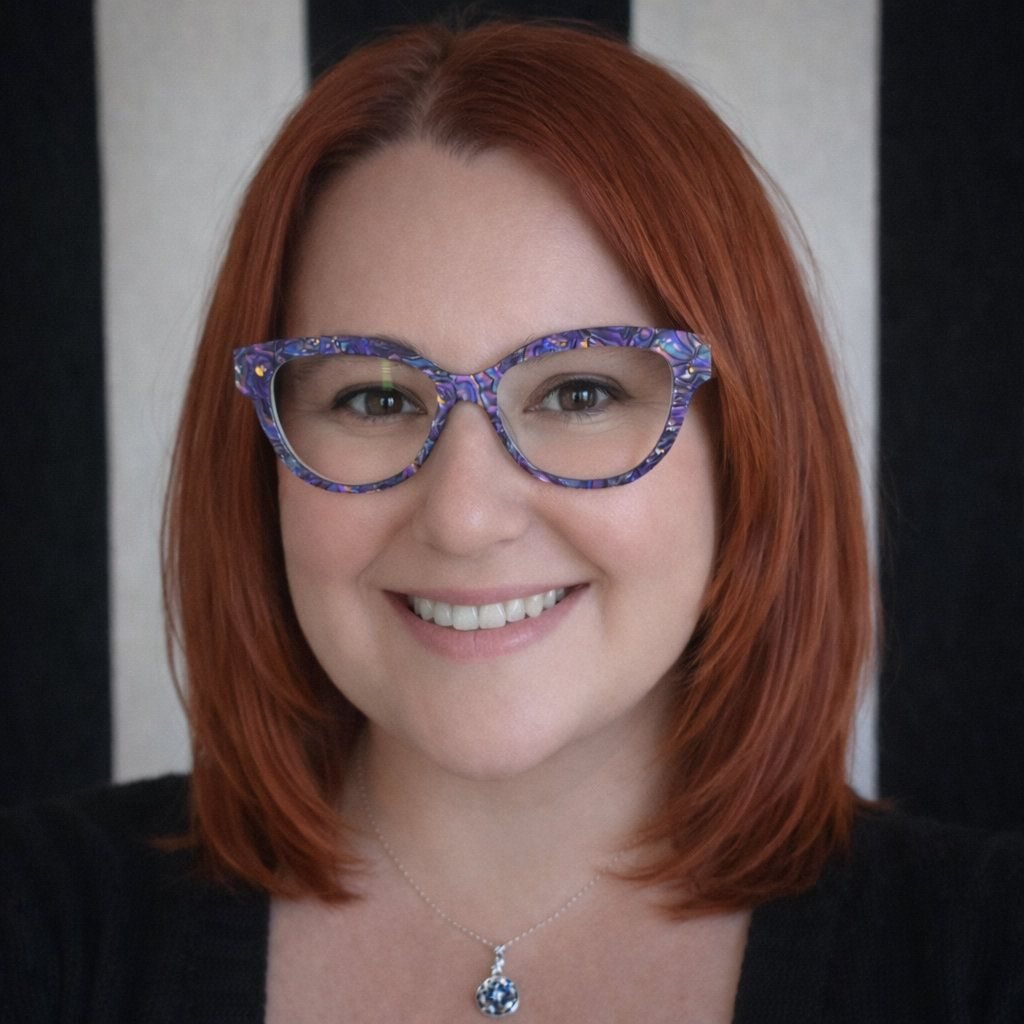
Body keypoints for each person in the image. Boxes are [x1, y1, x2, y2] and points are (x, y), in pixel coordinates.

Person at [2, 19, 1022, 1024]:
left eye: (579, 392)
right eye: (374, 398)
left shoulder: (983, 955)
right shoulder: (43, 920)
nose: (463, 517)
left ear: (748, 445)